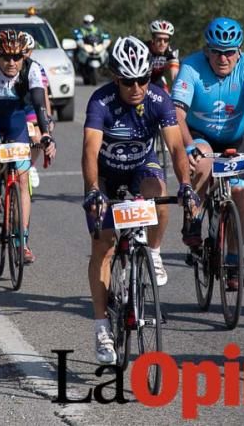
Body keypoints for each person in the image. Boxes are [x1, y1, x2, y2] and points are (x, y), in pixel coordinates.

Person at [82, 36, 195, 364]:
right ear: (116, 78)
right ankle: (102, 326)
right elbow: (90, 150)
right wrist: (92, 189)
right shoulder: (100, 102)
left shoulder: (159, 99)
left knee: (159, 195)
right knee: (103, 245)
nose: (137, 87)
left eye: (143, 79)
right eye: (128, 81)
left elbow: (175, 148)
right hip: (105, 174)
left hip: (139, 168)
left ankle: (154, 252)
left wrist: (186, 184)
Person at [171, 17, 244, 290]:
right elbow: (177, 113)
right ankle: (194, 216)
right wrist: (189, 145)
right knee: (203, 161)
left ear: (239, 51)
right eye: (217, 51)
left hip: (234, 139)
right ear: (207, 49)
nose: (223, 58)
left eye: (229, 51)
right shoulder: (192, 67)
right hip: (200, 136)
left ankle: (233, 259)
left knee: (241, 193)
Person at [0, 30, 56, 264]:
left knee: (22, 180)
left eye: (17, 57)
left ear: (23, 57)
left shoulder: (31, 69)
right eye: (5, 57)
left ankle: (22, 241)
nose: (11, 62)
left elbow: (40, 105)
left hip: (16, 122)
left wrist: (47, 135)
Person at [22, 33, 53, 189]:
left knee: (36, 138)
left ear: (31, 51)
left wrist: (48, 116)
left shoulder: (36, 68)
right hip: (10, 108)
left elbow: (44, 94)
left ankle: (31, 165)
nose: (23, 54)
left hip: (30, 108)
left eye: (26, 51)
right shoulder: (9, 64)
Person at [147, 19, 180, 92]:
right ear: (153, 39)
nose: (162, 43)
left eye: (166, 40)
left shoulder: (171, 51)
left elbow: (175, 75)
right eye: (159, 39)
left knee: (166, 99)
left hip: (157, 81)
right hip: (141, 81)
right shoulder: (144, 49)